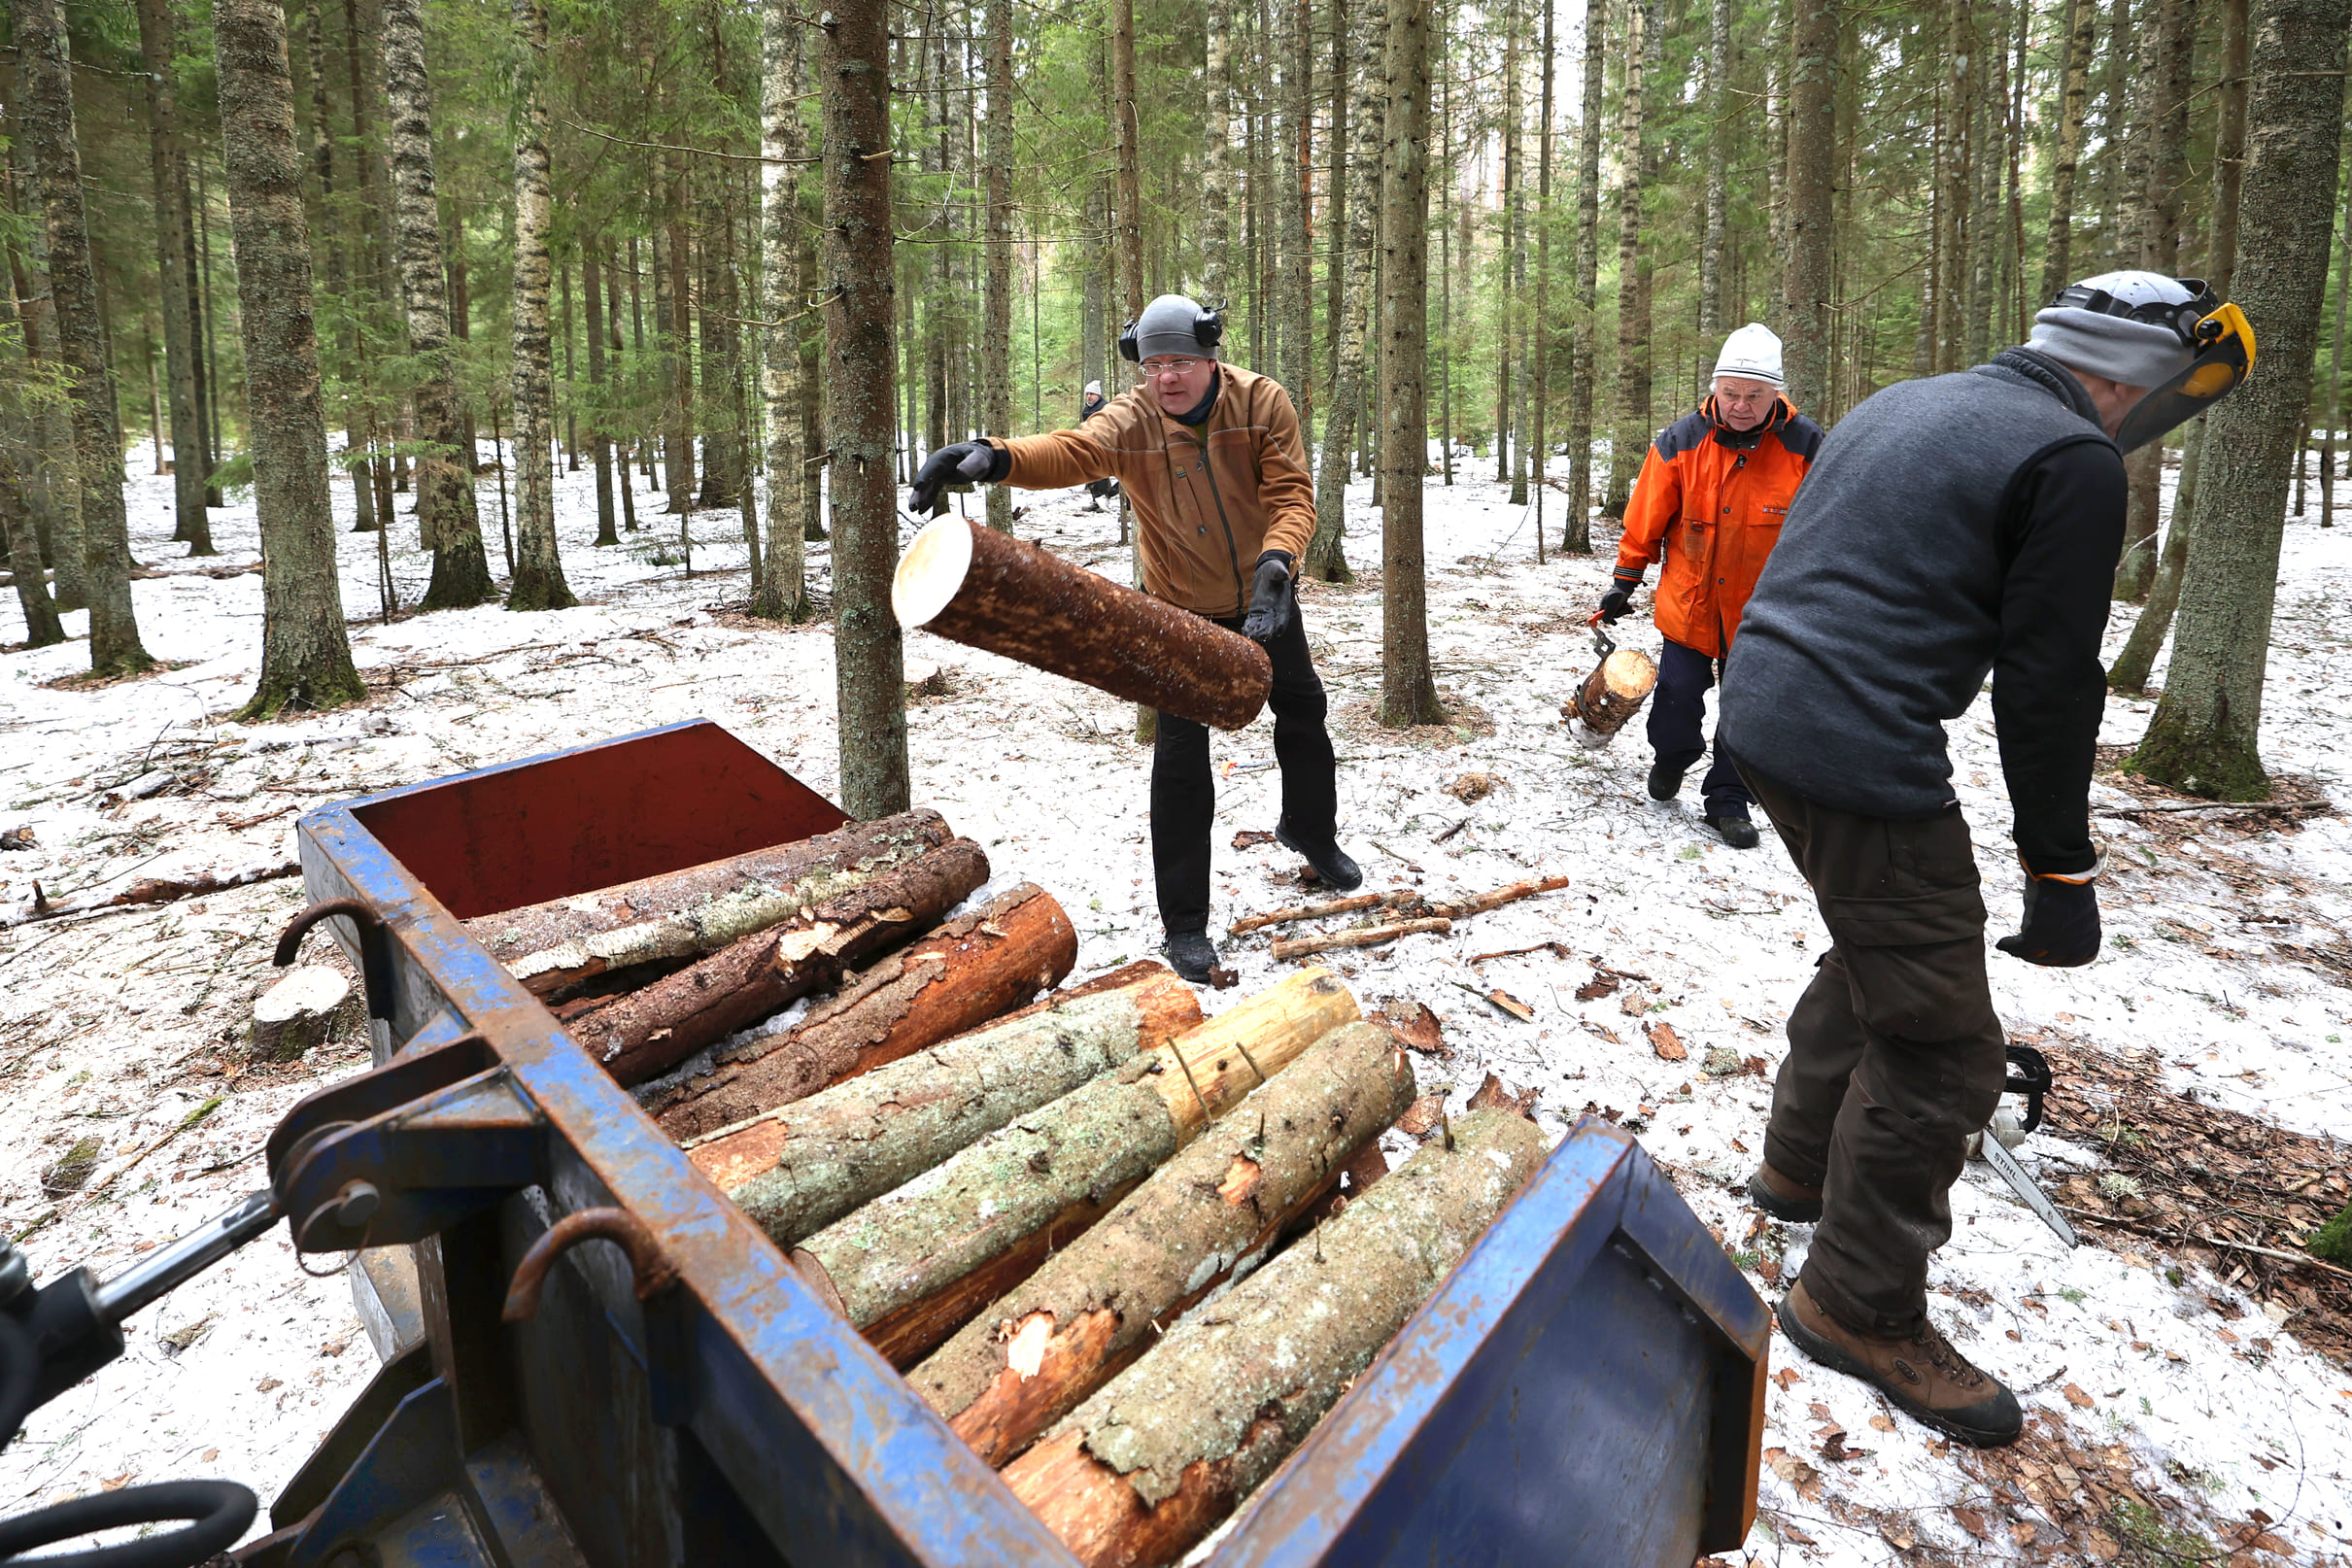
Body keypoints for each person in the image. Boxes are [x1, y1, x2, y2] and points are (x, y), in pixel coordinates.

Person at [1718, 272, 2253, 1449]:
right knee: (1946, 1048)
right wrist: (2062, 872)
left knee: (1884, 952)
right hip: (1857, 750)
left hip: (1760, 715)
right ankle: (1856, 1303)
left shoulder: (1909, 400)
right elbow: (2050, 684)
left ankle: (1799, 1175)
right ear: (2136, 374)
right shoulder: (2070, 458)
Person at [907, 294, 1357, 983]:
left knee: (1302, 710)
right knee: (1180, 759)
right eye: (1153, 365)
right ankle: (1185, 924)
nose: (1167, 378)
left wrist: (1278, 563)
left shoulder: (1261, 403)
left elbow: (1293, 495)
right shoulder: (1133, 417)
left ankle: (1310, 831)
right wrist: (991, 458)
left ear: (1208, 356)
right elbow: (1071, 450)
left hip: (1265, 591)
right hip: (1176, 609)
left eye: (1180, 361)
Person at [1595, 323, 1823, 849]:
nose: (1742, 405)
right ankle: (1672, 757)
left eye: (1755, 395)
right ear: (1716, 387)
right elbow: (1646, 520)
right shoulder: (1681, 441)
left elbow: (1827, 530)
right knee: (1676, 702)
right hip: (1690, 604)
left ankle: (1728, 799)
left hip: (1765, 615)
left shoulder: (1806, 445)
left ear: (1776, 393)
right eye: (1731, 393)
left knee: (1746, 716)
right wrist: (1624, 581)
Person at [1077, 380, 1119, 510]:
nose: (1089, 396)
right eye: (1087, 394)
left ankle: (1106, 497)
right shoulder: (1086, 409)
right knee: (1092, 474)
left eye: (1092, 394)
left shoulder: (1105, 407)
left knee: (1101, 474)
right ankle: (1097, 500)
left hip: (1104, 445)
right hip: (1090, 444)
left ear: (1098, 395)